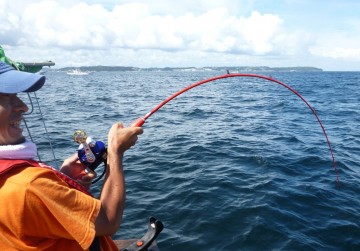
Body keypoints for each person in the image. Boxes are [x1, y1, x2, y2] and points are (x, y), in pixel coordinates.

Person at [0, 61, 144, 250]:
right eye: (6, 98)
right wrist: (116, 151)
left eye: (17, 96)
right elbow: (108, 221)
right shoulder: (29, 186)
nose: (23, 107)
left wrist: (62, 181)